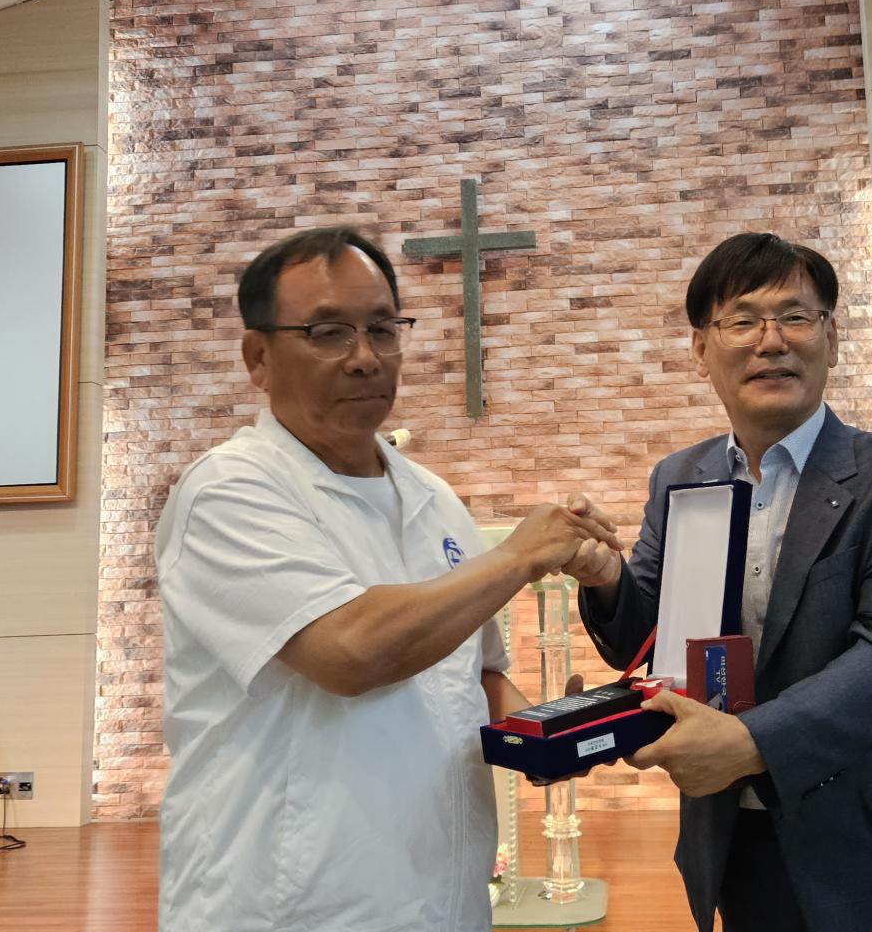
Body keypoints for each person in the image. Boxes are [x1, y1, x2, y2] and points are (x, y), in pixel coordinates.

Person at [155, 227, 622, 932]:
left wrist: (541, 733)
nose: (365, 358)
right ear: (258, 357)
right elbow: (350, 652)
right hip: (287, 908)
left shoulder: (433, 498)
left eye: (382, 329)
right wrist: (518, 556)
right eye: (328, 333)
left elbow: (474, 677)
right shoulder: (230, 492)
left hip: (444, 900)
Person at [573, 232, 872, 932]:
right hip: (740, 841)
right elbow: (654, 641)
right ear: (701, 349)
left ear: (831, 338)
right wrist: (608, 582)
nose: (772, 341)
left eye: (795, 316)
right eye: (743, 320)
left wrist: (749, 742)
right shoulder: (681, 477)